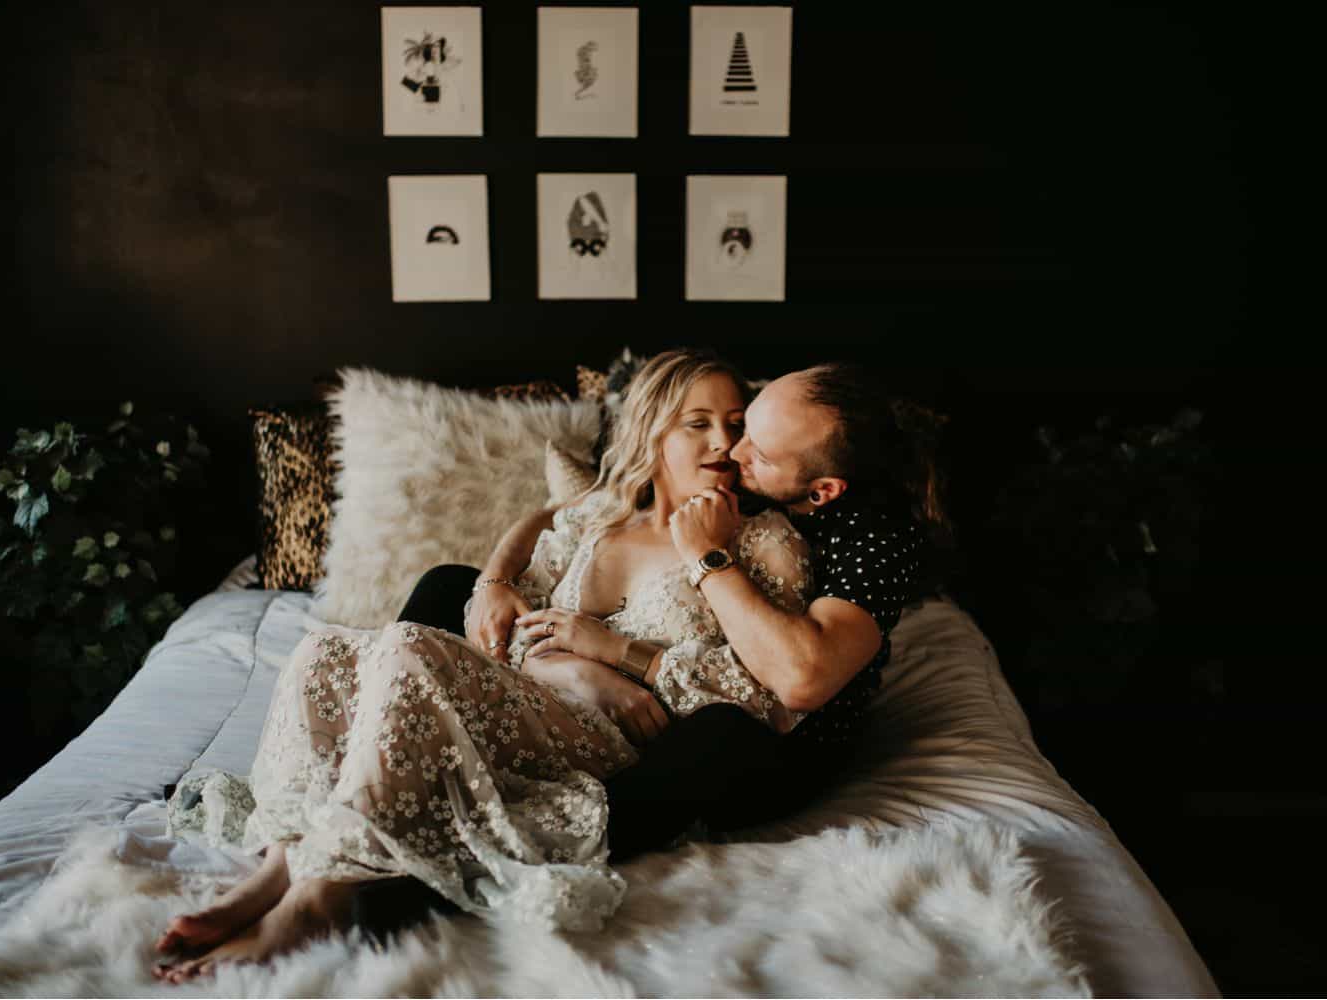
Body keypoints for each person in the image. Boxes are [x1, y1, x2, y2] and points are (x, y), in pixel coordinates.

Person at [150, 350, 817, 982]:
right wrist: (566, 664)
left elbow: (757, 698)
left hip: (615, 739)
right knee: (328, 650)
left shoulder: (760, 543)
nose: (725, 444)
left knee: (411, 646)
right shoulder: (599, 520)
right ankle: (282, 864)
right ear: (652, 432)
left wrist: (619, 658)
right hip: (538, 699)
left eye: (735, 425)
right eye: (698, 424)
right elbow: (519, 620)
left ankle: (318, 899)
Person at [351, 358, 946, 939]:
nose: (732, 451)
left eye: (750, 444)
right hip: (641, 677)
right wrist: (496, 582)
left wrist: (695, 567)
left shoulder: (870, 538)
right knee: (446, 584)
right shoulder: (733, 472)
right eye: (733, 426)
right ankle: (358, 767)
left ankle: (490, 860)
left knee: (719, 734)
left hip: (780, 736)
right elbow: (562, 511)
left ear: (819, 491)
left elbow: (799, 681)